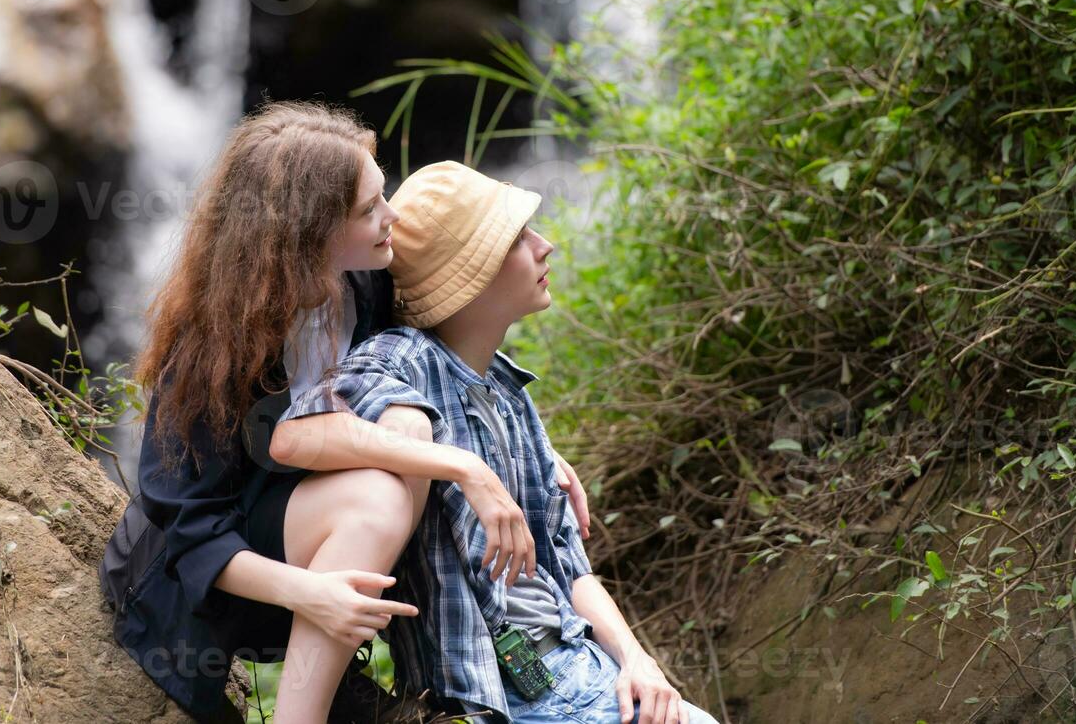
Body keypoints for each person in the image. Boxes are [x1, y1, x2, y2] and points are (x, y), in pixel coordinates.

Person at [113, 102, 594, 722]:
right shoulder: (215, 343)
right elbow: (192, 529)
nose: (391, 217)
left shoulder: (365, 282)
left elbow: (440, 372)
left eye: (383, 195)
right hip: (223, 581)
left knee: (410, 425)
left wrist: (531, 450)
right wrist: (314, 594)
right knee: (379, 493)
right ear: (309, 233)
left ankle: (439, 680)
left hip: (328, 546)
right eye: (369, 210)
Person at [270, 161, 722, 724]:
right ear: (470, 273)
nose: (546, 245)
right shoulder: (404, 359)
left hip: (581, 667)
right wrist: (463, 465)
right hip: (501, 694)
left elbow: (570, 568)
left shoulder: (511, 393)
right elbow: (296, 432)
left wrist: (636, 659)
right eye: (518, 238)